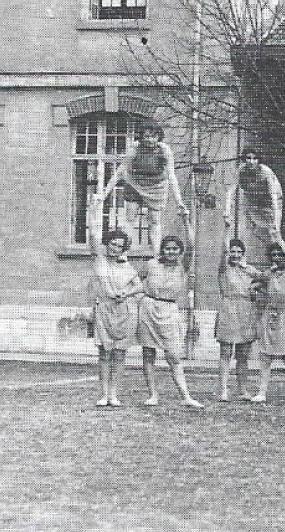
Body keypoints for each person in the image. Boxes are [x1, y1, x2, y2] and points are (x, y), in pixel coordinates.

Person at [98, 122, 189, 259]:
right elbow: (121, 171)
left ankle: (157, 255)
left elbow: (171, 175)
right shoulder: (134, 148)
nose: (150, 140)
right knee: (130, 217)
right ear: (141, 136)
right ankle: (124, 253)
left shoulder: (164, 150)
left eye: (153, 136)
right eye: (146, 136)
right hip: (135, 183)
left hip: (157, 186)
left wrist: (179, 201)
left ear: (158, 137)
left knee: (154, 220)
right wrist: (105, 193)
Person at [86, 196, 142, 408]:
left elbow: (140, 286)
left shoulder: (128, 267)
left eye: (119, 246)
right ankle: (104, 394)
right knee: (104, 353)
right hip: (103, 310)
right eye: (112, 244)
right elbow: (92, 234)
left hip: (123, 312)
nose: (114, 248)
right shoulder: (99, 260)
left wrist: (125, 294)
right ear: (107, 244)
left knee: (119, 353)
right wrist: (93, 210)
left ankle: (114, 394)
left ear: (123, 249)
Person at [137, 235, 204, 408]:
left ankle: (186, 396)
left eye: (175, 249)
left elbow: (191, 245)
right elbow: (136, 281)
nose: (171, 251)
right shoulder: (151, 264)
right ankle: (152, 395)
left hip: (169, 311)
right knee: (148, 353)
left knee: (173, 356)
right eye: (167, 248)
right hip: (148, 308)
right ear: (162, 250)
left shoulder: (183, 267)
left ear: (180, 252)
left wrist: (186, 220)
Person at [251, 242, 285, 404]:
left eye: (279, 255)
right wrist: (255, 289)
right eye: (273, 255)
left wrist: (281, 241)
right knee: (266, 356)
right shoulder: (270, 273)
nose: (276, 258)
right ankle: (261, 392)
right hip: (269, 314)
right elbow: (256, 282)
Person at [214, 239, 262, 403]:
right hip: (228, 309)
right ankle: (223, 390)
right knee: (226, 353)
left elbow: (265, 280)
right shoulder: (223, 268)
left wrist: (254, 288)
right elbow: (222, 252)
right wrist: (226, 228)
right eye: (232, 252)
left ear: (243, 254)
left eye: (238, 252)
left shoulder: (250, 270)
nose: (235, 255)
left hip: (246, 311)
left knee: (243, 355)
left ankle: (243, 390)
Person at [225, 148, 285, 254]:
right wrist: (227, 212)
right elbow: (231, 191)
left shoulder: (265, 172)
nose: (251, 161)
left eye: (254, 158)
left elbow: (274, 197)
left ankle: (284, 258)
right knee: (246, 228)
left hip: (271, 203)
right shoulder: (241, 171)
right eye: (248, 158)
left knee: (274, 235)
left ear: (258, 160)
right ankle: (241, 257)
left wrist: (276, 222)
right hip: (254, 201)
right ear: (244, 159)